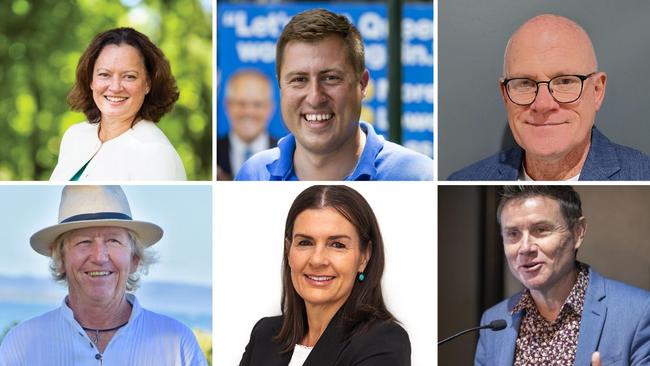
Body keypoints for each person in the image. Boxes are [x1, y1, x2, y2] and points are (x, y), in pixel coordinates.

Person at [0, 185, 207, 365]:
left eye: (113, 241)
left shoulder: (178, 343)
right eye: (84, 242)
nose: (99, 257)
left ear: (134, 258)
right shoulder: (21, 345)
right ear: (60, 259)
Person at [235, 9, 433, 181]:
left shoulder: (417, 176)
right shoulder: (253, 174)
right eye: (299, 79)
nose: (314, 97)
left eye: (330, 78)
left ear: (362, 84)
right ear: (280, 85)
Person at [449, 14, 650, 181]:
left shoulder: (642, 175)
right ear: (505, 94)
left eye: (564, 82)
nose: (543, 104)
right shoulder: (465, 179)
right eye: (525, 83)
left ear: (597, 90)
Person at [475, 186, 650, 366]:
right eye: (513, 234)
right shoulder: (493, 321)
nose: (525, 248)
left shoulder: (639, 312)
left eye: (541, 229)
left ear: (578, 232)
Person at [239, 185, 410, 365]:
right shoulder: (264, 334)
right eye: (305, 242)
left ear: (364, 257)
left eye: (337, 245)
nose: (317, 260)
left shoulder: (383, 342)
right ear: (289, 251)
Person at [50, 27, 186, 181]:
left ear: (147, 83)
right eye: (104, 74)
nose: (115, 87)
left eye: (129, 76)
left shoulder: (157, 154)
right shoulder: (74, 137)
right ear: (91, 80)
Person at [218, 69, 277, 180]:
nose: (249, 112)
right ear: (227, 105)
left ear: (270, 108)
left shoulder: (287, 155)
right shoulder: (215, 153)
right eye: (241, 104)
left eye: (257, 104)